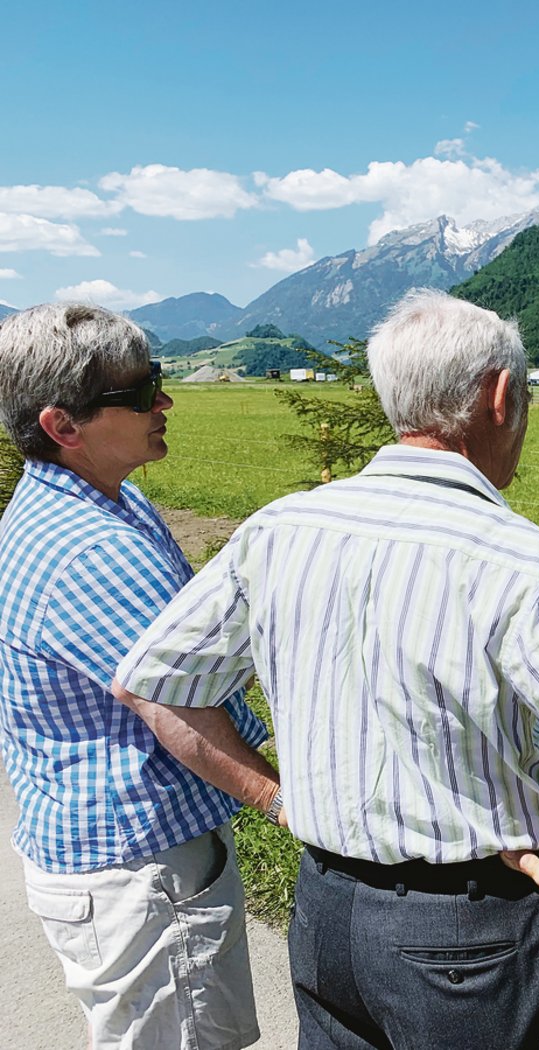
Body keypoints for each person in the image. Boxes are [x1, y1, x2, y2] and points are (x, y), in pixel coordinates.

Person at [113, 288, 539, 1050]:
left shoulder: (282, 529)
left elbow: (152, 685)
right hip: (471, 938)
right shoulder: (522, 564)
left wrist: (274, 796)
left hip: (324, 911)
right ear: (498, 398)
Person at [0, 303, 273, 1050]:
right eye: (140, 391)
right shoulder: (90, 549)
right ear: (63, 426)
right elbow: (182, 709)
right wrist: (291, 806)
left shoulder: (107, 503)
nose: (165, 400)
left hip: (130, 861)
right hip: (141, 875)